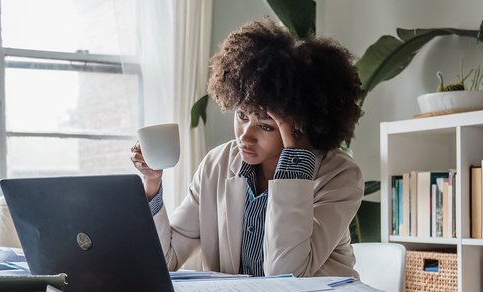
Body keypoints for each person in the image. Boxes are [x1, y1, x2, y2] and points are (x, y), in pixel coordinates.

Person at [131, 18, 364, 277]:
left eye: (266, 127)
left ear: (300, 127)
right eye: (242, 116)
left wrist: (294, 165)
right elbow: (165, 260)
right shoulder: (216, 165)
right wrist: (152, 184)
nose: (245, 136)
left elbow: (286, 275)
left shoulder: (340, 176)